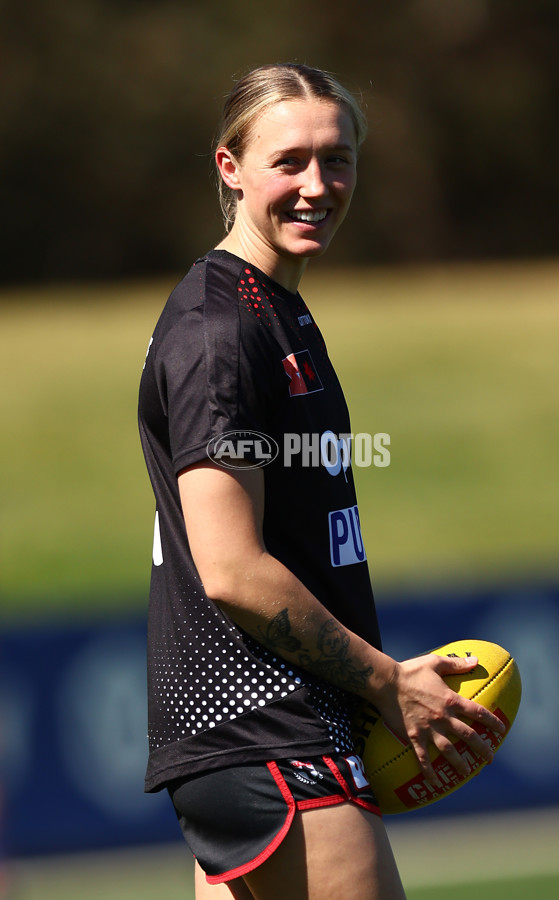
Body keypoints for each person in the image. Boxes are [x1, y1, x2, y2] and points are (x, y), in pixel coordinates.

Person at [138, 63, 505, 900]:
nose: (318, 185)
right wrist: (386, 679)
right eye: (290, 161)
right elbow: (230, 570)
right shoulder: (220, 331)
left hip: (260, 732)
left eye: (336, 160)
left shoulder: (273, 308)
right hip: (272, 733)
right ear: (230, 167)